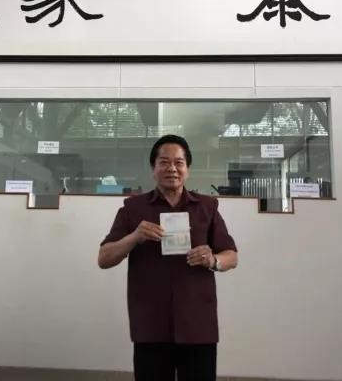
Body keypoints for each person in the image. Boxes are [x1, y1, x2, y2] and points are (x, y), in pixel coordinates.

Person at [98, 134, 238, 381]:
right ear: (153, 168)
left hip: (197, 324)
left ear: (187, 169)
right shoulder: (133, 208)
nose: (171, 168)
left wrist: (213, 260)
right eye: (164, 162)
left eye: (178, 162)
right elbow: (104, 258)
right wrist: (134, 237)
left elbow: (231, 256)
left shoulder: (207, 207)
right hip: (150, 324)